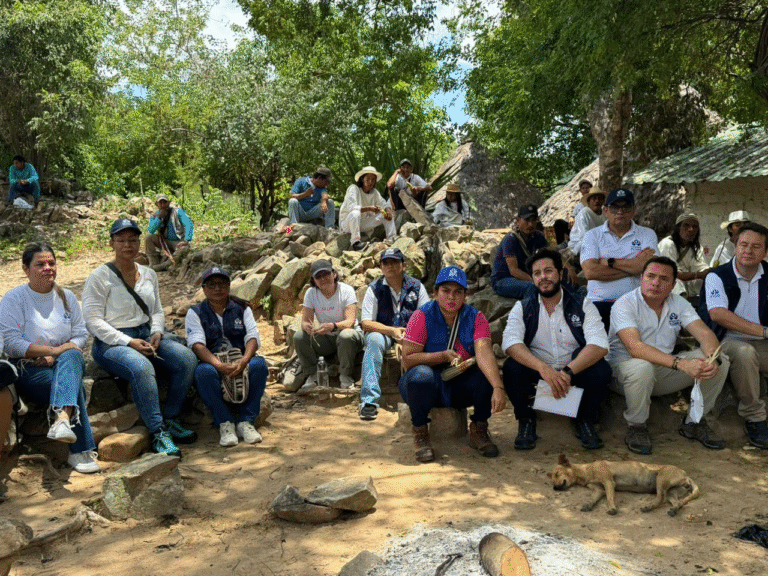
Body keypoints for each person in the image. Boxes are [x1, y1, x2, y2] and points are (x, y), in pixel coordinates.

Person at [82, 219, 198, 457]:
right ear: (112, 243)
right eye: (121, 240)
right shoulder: (99, 277)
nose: (128, 245)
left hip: (146, 334)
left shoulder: (147, 274)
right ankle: (157, 432)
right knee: (142, 367)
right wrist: (128, 342)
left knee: (186, 359)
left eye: (133, 239)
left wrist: (156, 331)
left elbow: (156, 310)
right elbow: (93, 321)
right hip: (111, 342)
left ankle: (173, 417)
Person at [609, 256, 729, 455]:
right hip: (625, 373)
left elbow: (705, 333)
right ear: (641, 277)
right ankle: (636, 427)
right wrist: (681, 364)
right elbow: (635, 348)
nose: (656, 282)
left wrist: (711, 358)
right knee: (642, 367)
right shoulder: (625, 304)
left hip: (663, 371)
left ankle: (694, 422)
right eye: (651, 276)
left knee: (720, 361)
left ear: (673, 284)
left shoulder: (678, 303)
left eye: (664, 279)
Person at [0, 242, 99, 473]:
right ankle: (80, 450)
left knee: (73, 356)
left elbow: (80, 334)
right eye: (40, 264)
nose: (48, 268)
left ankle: (62, 420)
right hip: (27, 367)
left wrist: (56, 356)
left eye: (52, 263)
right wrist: (52, 351)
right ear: (25, 269)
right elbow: (12, 343)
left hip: (61, 363)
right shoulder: (14, 299)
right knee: (75, 386)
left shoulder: (67, 297)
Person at [502, 249, 610, 451]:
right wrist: (543, 369)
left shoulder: (582, 304)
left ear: (560, 274)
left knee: (600, 369)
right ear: (533, 279)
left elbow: (599, 344)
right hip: (540, 373)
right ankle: (526, 421)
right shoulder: (523, 307)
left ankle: (584, 420)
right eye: (537, 273)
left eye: (548, 271)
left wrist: (567, 373)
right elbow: (510, 343)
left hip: (574, 372)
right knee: (512, 368)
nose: (543, 277)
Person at [399, 266, 507, 462]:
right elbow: (407, 359)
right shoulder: (421, 316)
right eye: (446, 291)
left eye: (458, 292)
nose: (452, 297)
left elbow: (483, 351)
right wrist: (441, 356)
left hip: (458, 386)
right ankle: (421, 431)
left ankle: (479, 428)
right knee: (420, 376)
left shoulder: (475, 317)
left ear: (465, 295)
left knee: (487, 376)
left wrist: (498, 386)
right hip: (426, 387)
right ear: (435, 293)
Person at [699, 222, 768, 449]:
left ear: (765, 252)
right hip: (727, 341)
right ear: (735, 246)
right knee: (745, 353)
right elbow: (719, 314)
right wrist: (764, 331)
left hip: (763, 343)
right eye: (743, 245)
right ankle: (755, 418)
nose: (748, 251)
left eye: (756, 247)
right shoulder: (717, 276)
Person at [185, 267, 268, 447]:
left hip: (240, 358)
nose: (217, 289)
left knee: (259, 365)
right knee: (203, 372)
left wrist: (244, 360)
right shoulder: (196, 312)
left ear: (229, 286)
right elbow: (197, 344)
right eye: (212, 285)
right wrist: (219, 365)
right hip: (213, 362)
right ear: (204, 288)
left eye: (222, 284)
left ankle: (247, 421)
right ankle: (225, 423)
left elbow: (252, 336)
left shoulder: (242, 308)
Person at [359, 248, 429, 421]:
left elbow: (426, 317)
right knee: (373, 340)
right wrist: (392, 331)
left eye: (394, 262)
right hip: (383, 333)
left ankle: (421, 396)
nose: (390, 266)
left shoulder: (417, 287)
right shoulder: (374, 289)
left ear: (403, 265)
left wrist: (411, 334)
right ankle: (369, 401)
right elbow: (366, 323)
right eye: (386, 263)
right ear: (381, 267)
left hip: (411, 334)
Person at [580, 188, 659, 330]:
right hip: (599, 303)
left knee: (636, 349)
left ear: (634, 210)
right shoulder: (592, 235)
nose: (620, 212)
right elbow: (591, 272)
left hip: (637, 304)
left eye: (626, 207)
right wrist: (636, 267)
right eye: (615, 207)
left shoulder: (647, 234)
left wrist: (611, 262)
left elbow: (652, 268)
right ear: (606, 211)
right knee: (601, 348)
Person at [291, 259, 365, 394]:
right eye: (318, 276)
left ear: (334, 274)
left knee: (346, 335)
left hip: (350, 337)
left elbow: (350, 322)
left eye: (326, 274)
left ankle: (345, 375)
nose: (323, 279)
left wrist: (333, 326)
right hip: (327, 337)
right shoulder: (311, 293)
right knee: (300, 336)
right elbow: (305, 321)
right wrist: (308, 327)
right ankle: (312, 374)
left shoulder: (346, 290)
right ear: (314, 280)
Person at [491, 204, 549, 300]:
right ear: (518, 220)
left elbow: (552, 254)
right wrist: (535, 280)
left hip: (522, 278)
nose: (530, 224)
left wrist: (567, 269)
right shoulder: (510, 239)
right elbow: (514, 270)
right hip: (503, 280)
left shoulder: (537, 236)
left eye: (533, 220)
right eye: (527, 220)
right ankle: (530, 313)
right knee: (531, 287)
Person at [339, 166, 395, 251]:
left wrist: (387, 211)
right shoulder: (353, 188)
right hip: (348, 224)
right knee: (355, 213)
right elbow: (352, 208)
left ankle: (391, 239)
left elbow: (384, 204)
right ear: (362, 179)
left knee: (387, 214)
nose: (370, 182)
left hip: (362, 224)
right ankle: (356, 243)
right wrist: (369, 208)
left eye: (373, 180)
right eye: (368, 179)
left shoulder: (374, 192)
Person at [658, 213, 711, 299]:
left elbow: (701, 268)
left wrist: (709, 271)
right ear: (678, 228)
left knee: (708, 281)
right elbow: (671, 273)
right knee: (676, 283)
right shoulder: (667, 244)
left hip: (688, 282)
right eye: (686, 225)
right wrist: (698, 274)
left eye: (695, 227)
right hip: (669, 283)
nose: (691, 229)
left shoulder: (696, 247)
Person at [145, 194, 194, 269]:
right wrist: (159, 218)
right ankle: (153, 263)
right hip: (164, 242)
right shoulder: (155, 215)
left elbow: (189, 224)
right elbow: (151, 230)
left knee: (184, 249)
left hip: (178, 242)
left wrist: (186, 240)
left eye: (165, 202)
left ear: (168, 203)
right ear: (156, 204)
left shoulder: (177, 212)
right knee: (149, 238)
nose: (163, 205)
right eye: (160, 203)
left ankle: (163, 266)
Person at [567, 187, 605, 256]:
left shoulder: (605, 213)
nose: (597, 201)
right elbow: (585, 237)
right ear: (588, 202)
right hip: (579, 246)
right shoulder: (584, 213)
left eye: (599, 198)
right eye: (594, 199)